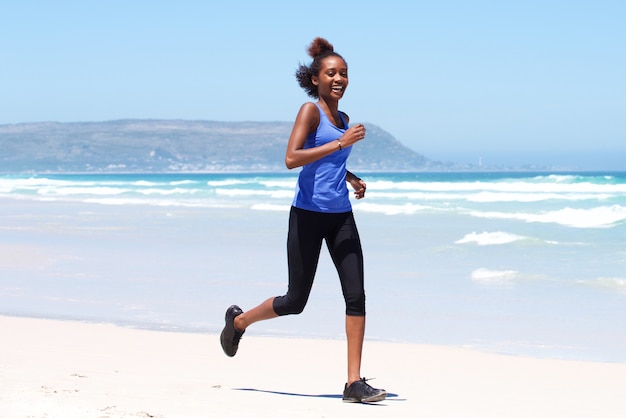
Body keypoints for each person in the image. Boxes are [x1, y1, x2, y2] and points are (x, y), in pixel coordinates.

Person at [220, 37, 386, 403]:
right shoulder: (310, 112)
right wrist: (342, 144)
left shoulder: (342, 119)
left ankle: (353, 383)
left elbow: (326, 161)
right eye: (331, 73)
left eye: (344, 73)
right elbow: (293, 158)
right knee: (296, 300)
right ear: (316, 79)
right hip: (307, 217)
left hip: (341, 216)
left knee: (356, 295)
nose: (339, 78)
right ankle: (238, 322)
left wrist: (350, 176)